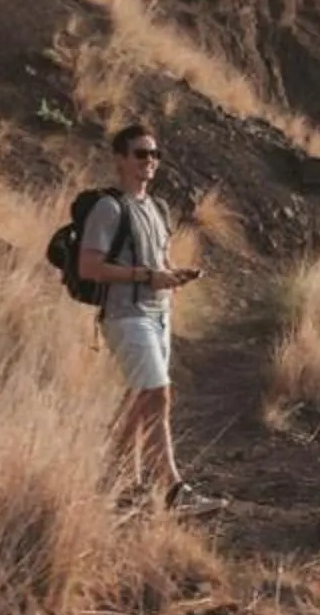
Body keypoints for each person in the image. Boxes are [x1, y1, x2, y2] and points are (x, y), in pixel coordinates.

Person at [78, 123, 216, 513]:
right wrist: (146, 277)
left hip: (159, 315)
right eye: (141, 154)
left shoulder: (157, 208)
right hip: (125, 315)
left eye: (154, 154)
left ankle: (115, 483)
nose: (150, 161)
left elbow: (160, 261)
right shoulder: (108, 208)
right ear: (120, 159)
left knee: (140, 399)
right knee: (158, 394)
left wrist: (175, 275)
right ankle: (173, 491)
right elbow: (89, 266)